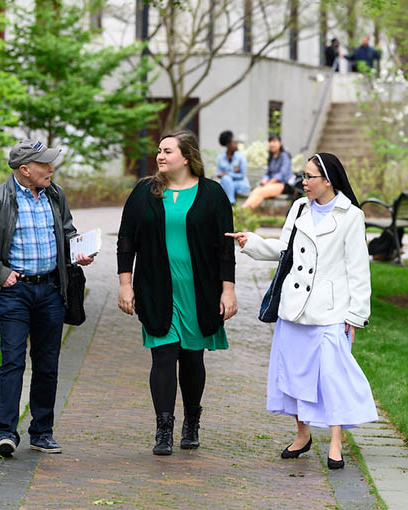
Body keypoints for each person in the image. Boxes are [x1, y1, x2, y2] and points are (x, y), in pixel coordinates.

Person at [226, 153, 377, 470]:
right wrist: (250, 242)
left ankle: (335, 444)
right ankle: (303, 434)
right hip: (293, 309)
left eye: (309, 177)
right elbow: (285, 251)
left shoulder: (350, 216)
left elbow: (359, 270)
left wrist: (356, 315)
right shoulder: (298, 208)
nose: (303, 182)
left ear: (328, 179)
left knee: (332, 379)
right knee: (291, 375)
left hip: (331, 311)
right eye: (303, 176)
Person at [0, 139, 95, 458]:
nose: (51, 169)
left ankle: (42, 432)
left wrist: (77, 253)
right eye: (45, 164)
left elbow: (68, 232)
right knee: (13, 360)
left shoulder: (55, 195)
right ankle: (6, 432)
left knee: (47, 363)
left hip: (50, 290)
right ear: (25, 169)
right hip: (13, 292)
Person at [117, 130, 237, 456]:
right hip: (156, 287)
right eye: (159, 150)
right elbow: (126, 239)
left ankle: (192, 421)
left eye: (167, 151)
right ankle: (163, 428)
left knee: (192, 357)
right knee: (164, 354)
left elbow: (225, 247)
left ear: (186, 156)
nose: (160, 156)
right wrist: (125, 284)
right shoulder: (145, 192)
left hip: (198, 290)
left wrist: (228, 291)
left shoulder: (212, 194)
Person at [242, 134, 293, 210]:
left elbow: (283, 173)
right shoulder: (271, 157)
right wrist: (264, 181)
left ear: (280, 143)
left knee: (261, 191)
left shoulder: (284, 156)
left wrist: (270, 182)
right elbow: (268, 173)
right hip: (271, 184)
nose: (272, 144)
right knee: (257, 189)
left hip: (283, 185)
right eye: (270, 142)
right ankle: (244, 208)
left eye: (274, 141)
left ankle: (244, 210)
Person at [215, 130, 250, 204]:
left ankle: (230, 203)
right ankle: (231, 203)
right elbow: (219, 174)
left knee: (226, 180)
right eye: (234, 143)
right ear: (228, 145)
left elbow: (242, 176)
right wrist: (224, 175)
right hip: (226, 184)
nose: (236, 145)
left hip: (240, 185)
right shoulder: (220, 158)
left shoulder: (241, 157)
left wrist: (227, 174)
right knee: (224, 181)